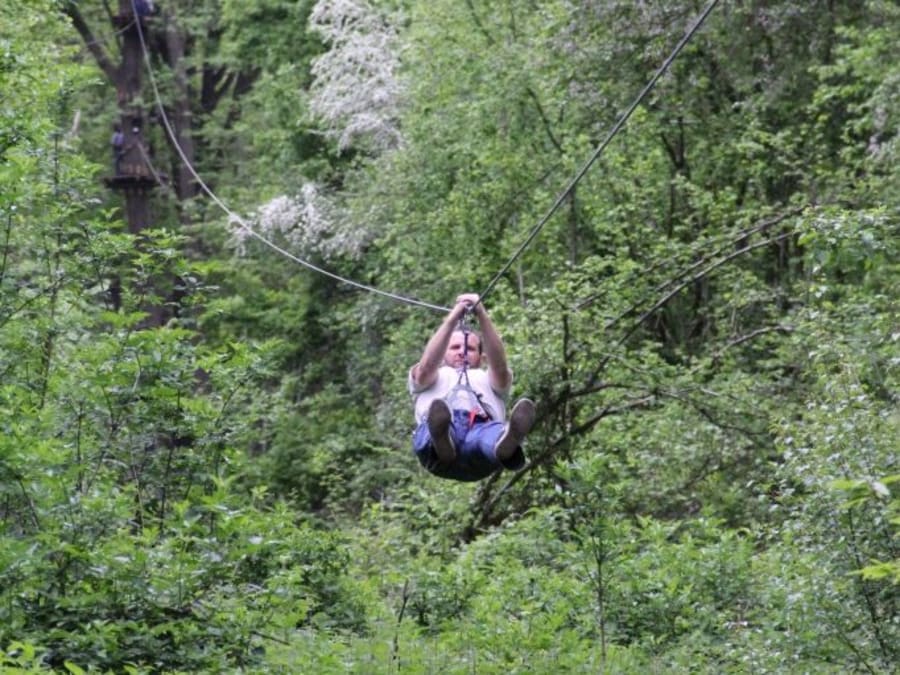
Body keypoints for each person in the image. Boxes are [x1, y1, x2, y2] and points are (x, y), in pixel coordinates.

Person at [409, 293, 535, 481]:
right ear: (443, 353)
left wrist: (481, 314)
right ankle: (443, 440)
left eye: (469, 349)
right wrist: (453, 317)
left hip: (479, 437)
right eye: (455, 348)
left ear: (482, 357)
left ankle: (504, 443)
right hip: (436, 443)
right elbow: (425, 368)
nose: (462, 352)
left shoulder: (487, 378)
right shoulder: (433, 376)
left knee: (489, 434)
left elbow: (499, 368)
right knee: (438, 421)